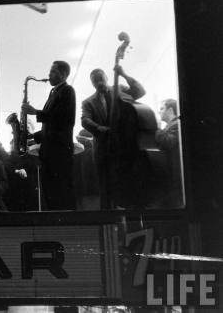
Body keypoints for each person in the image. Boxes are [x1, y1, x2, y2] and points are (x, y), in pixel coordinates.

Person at [81, 65, 146, 209]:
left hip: (125, 148)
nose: (99, 83)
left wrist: (124, 74)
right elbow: (85, 120)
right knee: (106, 191)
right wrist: (100, 129)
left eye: (100, 79)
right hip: (104, 151)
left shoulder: (120, 89)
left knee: (128, 187)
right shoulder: (88, 102)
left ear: (106, 78)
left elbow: (140, 91)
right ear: (92, 84)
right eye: (95, 81)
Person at [22, 61, 76, 210]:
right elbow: (51, 126)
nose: (49, 75)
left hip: (59, 153)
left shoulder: (68, 90)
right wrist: (33, 137)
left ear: (64, 74)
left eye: (53, 71)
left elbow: (64, 118)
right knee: (52, 196)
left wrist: (36, 112)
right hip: (51, 152)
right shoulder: (54, 92)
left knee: (59, 196)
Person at [155, 99, 182, 207]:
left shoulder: (176, 125)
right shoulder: (171, 125)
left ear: (170, 110)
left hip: (175, 175)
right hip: (171, 174)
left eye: (161, 108)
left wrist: (157, 128)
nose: (159, 112)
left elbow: (168, 142)